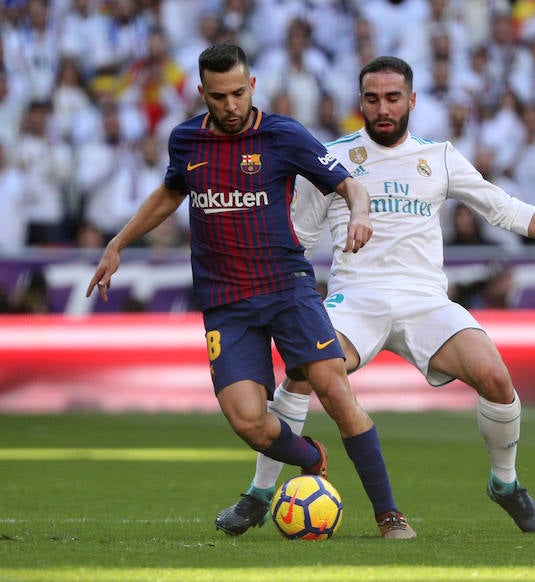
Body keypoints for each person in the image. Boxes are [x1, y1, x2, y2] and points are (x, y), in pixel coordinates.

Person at [215, 55, 535, 538]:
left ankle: (507, 485)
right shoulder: (329, 160)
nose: (383, 108)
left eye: (393, 98)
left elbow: (506, 210)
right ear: (361, 104)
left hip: (426, 301)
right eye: (372, 99)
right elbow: (298, 240)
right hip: (356, 299)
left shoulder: (439, 157)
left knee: (496, 377)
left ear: (411, 100)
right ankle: (259, 495)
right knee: (303, 372)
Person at [86, 43, 414, 540]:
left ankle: (389, 515)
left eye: (239, 93)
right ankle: (313, 458)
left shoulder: (282, 135)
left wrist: (362, 213)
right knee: (247, 421)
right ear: (202, 93)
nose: (231, 105)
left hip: (287, 289)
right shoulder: (186, 141)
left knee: (333, 389)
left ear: (252, 86)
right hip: (226, 303)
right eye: (219, 97)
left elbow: (349, 185)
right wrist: (118, 244)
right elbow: (171, 192)